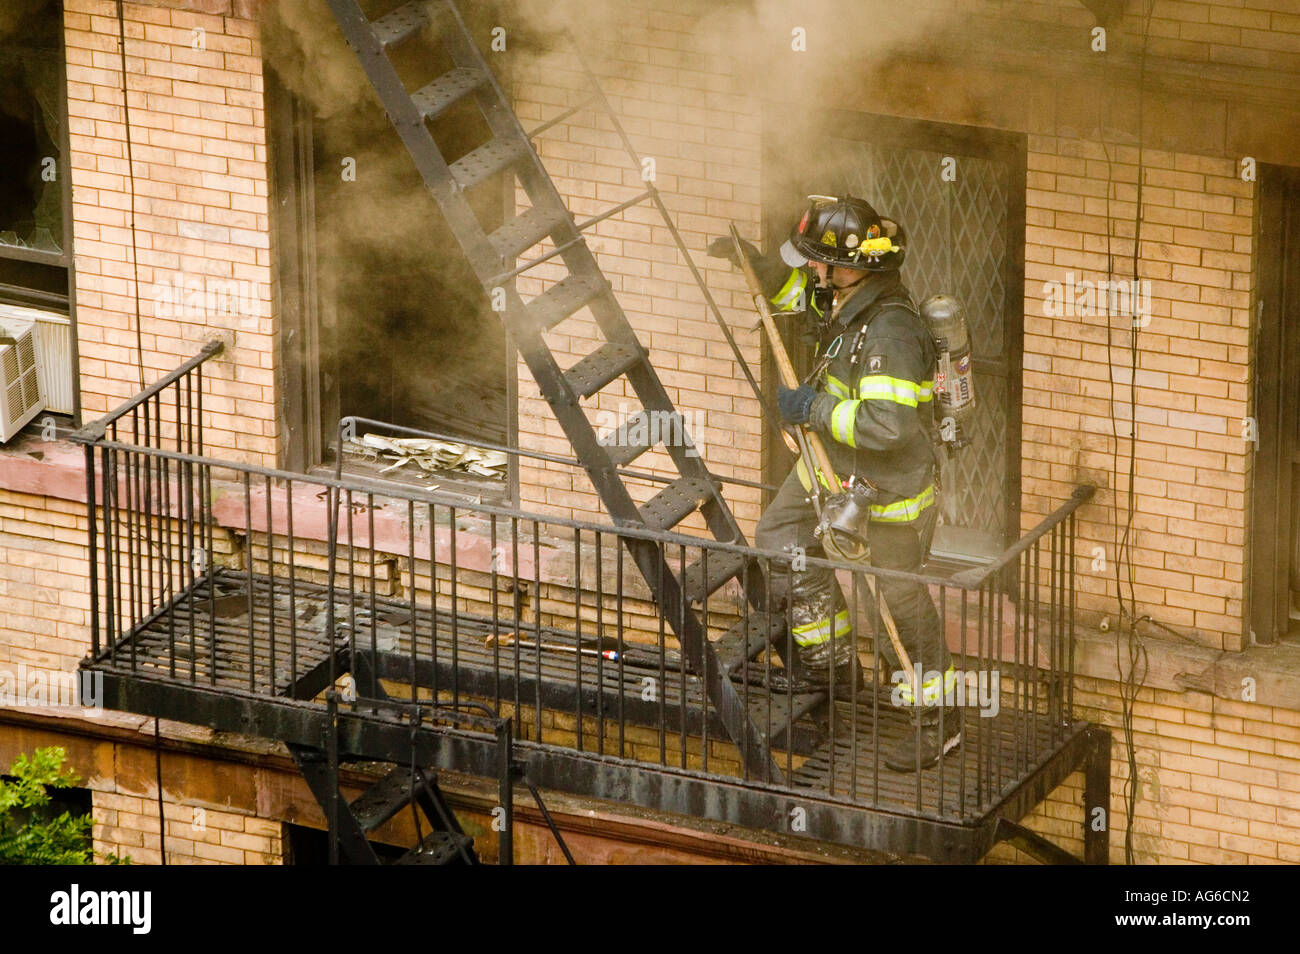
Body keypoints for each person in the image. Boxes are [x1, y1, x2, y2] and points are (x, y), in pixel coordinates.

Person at [708, 194, 959, 771]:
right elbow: (801, 300)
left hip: (887, 488)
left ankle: (939, 721)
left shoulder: (890, 334)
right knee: (781, 537)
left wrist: (813, 407)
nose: (812, 270)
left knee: (897, 601)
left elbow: (886, 426)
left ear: (851, 267)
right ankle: (836, 663)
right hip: (830, 466)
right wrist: (760, 267)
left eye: (817, 260)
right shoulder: (849, 302)